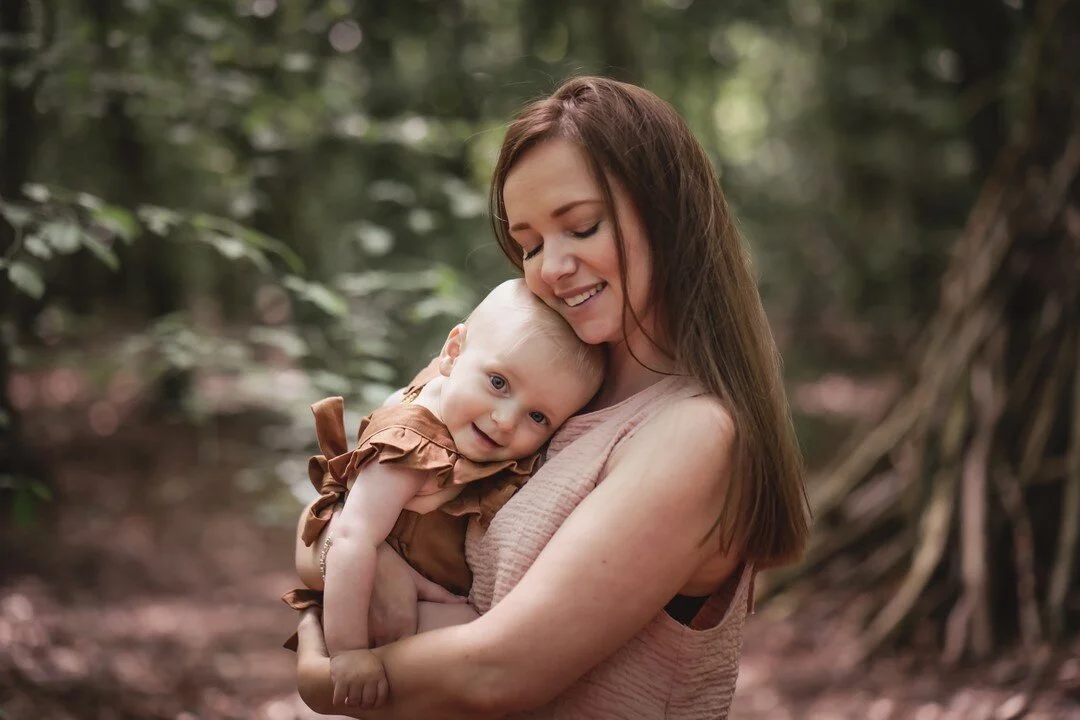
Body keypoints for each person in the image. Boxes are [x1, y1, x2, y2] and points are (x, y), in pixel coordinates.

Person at [293, 76, 811, 719]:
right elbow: (333, 506)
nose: (550, 267)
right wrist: (380, 568)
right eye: (530, 244)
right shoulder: (527, 369)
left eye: (582, 227)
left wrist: (322, 670)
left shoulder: (692, 432)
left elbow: (498, 674)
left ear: (666, 214)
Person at [285, 279, 604, 709]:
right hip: (366, 598)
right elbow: (350, 537)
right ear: (453, 353)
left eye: (538, 416)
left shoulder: (467, 431)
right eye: (497, 382)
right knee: (478, 638)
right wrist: (349, 652)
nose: (506, 420)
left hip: (421, 588)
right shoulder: (410, 445)